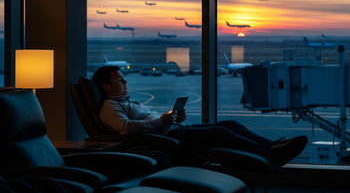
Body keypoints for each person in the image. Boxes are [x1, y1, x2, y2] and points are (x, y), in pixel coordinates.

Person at [93, 65, 308, 166]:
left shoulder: (125, 102)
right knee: (220, 132)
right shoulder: (109, 107)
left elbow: (145, 122)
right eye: (119, 80)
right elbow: (126, 128)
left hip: (172, 130)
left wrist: (172, 116)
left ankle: (270, 146)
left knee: (230, 123)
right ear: (105, 86)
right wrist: (162, 121)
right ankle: (269, 154)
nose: (125, 82)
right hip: (166, 139)